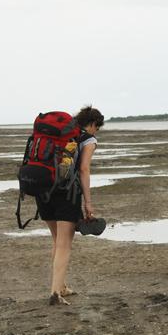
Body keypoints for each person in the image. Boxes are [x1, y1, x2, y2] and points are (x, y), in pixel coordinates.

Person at [36, 105, 104, 305]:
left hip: (43, 190)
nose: (96, 131)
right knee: (65, 244)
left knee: (57, 241)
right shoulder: (88, 140)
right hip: (67, 193)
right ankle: (55, 293)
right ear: (92, 124)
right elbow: (83, 170)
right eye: (97, 128)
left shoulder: (58, 136)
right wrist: (88, 203)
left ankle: (62, 286)